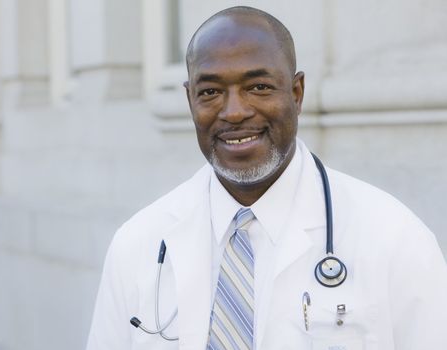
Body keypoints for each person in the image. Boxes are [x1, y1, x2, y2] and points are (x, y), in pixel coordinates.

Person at [86, 6, 447, 350]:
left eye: (258, 87)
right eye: (210, 92)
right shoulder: (137, 245)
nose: (235, 112)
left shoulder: (394, 238)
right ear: (189, 100)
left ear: (296, 93)